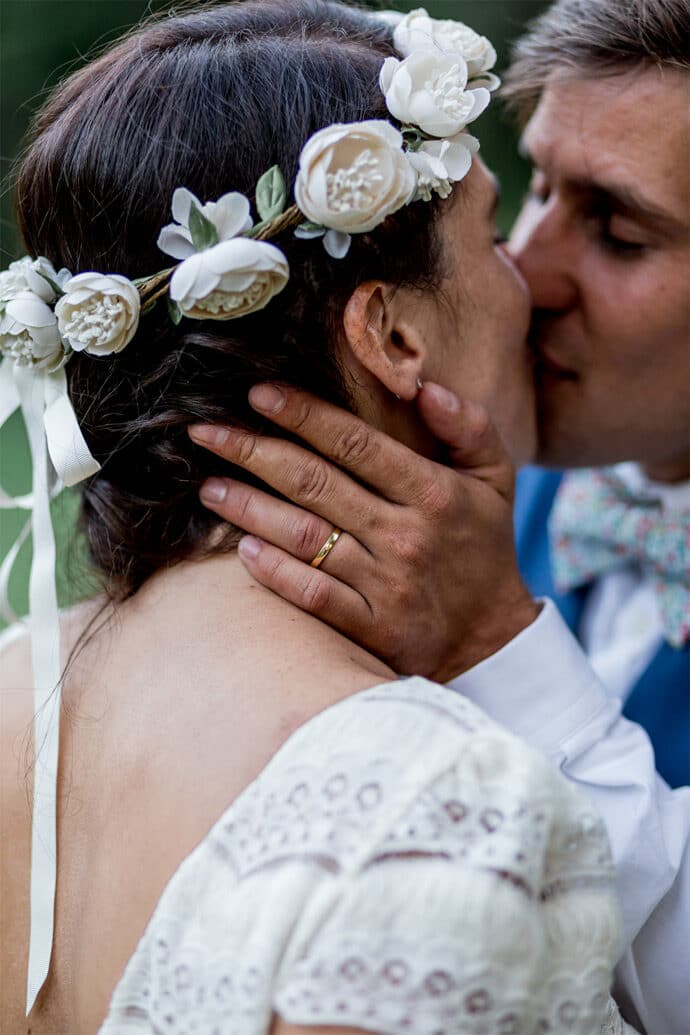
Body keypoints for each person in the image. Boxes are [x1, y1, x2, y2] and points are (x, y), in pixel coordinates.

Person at [0, 3, 636, 1033]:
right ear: (391, 334)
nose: (528, 280)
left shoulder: (13, 689)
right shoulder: (430, 802)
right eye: (488, 230)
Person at [186, 1, 690, 1032]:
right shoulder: (450, 502)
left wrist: (495, 645)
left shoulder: (461, 564)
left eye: (619, 232)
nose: (529, 268)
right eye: (539, 188)